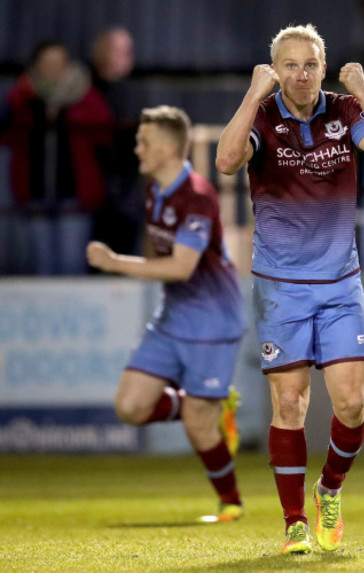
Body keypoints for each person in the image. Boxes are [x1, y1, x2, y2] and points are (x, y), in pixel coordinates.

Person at [215, 24, 364, 554]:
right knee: (291, 403)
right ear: (276, 69)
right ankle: (294, 520)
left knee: (350, 405)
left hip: (341, 283)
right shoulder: (264, 116)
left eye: (311, 64)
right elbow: (227, 162)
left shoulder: (344, 112)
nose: (302, 75)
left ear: (324, 66)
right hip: (281, 288)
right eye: (290, 66)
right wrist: (254, 95)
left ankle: (329, 490)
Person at [87, 105, 248, 522]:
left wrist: (114, 263)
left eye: (146, 142)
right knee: (131, 407)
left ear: (172, 147)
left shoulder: (195, 194)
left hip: (214, 320)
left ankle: (231, 502)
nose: (137, 148)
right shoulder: (155, 190)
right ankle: (207, 404)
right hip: (173, 317)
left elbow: (181, 266)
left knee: (199, 427)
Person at [0, 40, 114, 275]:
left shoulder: (85, 95)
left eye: (59, 62)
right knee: (42, 266)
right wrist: (22, 98)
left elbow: (105, 134)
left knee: (72, 264)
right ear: (36, 66)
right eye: (47, 63)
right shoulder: (22, 97)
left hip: (74, 194)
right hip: (36, 192)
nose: (53, 68)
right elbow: (8, 135)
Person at [90, 27, 143, 258]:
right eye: (118, 50)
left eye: (128, 50)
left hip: (128, 189)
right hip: (93, 186)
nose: (126, 56)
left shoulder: (132, 92)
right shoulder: (87, 90)